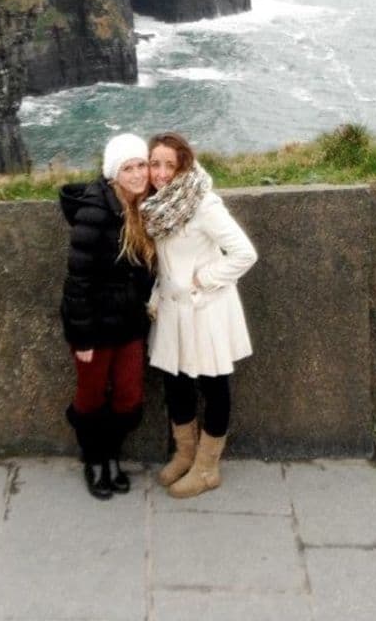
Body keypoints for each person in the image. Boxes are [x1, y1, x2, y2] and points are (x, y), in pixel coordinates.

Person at [142, 131, 257, 498]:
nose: (160, 173)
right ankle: (186, 453)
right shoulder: (158, 205)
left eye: (168, 165)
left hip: (205, 309)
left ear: (184, 166)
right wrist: (160, 292)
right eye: (154, 164)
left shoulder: (202, 203)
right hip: (173, 310)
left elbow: (244, 253)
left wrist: (202, 279)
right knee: (176, 383)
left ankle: (207, 468)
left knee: (213, 384)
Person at [59, 133, 155, 500]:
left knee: (129, 396)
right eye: (128, 168)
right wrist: (81, 338)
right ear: (114, 174)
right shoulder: (96, 210)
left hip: (128, 322)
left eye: (141, 165)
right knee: (92, 396)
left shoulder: (145, 206)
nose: (137, 174)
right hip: (95, 326)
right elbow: (77, 280)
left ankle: (112, 452)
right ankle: (94, 458)